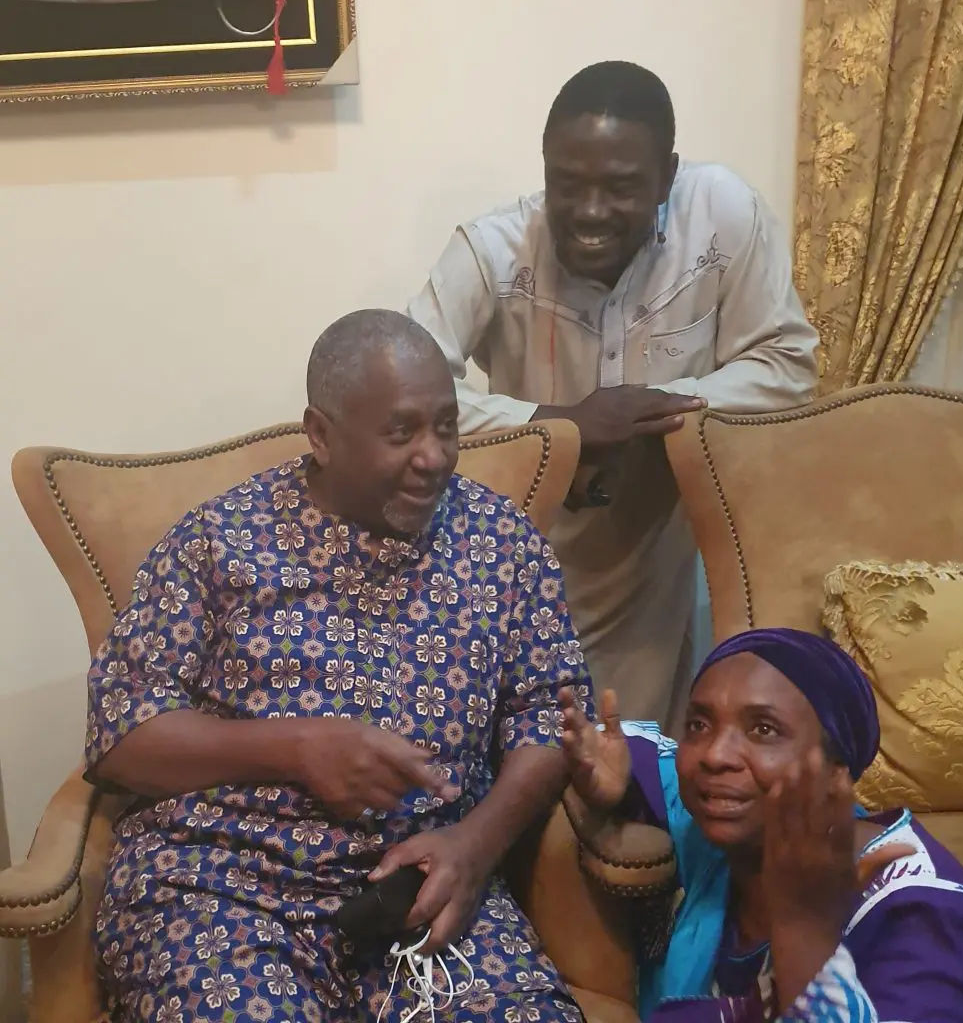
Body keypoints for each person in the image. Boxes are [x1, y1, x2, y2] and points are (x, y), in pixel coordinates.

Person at [85, 309, 593, 1023]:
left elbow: (552, 715)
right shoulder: (219, 541)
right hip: (221, 890)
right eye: (402, 433)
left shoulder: (501, 542)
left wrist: (477, 845)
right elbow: (121, 734)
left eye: (446, 426)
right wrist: (297, 746)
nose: (434, 457)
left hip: (425, 891)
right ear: (320, 435)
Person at [407, 61, 819, 731]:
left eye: (622, 188)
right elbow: (409, 393)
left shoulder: (722, 215)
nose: (590, 212)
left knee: (634, 748)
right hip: (520, 547)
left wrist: (644, 416)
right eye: (567, 184)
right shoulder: (492, 249)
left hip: (656, 543)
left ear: (666, 175)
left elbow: (787, 364)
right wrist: (559, 428)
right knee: (518, 739)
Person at [560, 628, 963, 1021]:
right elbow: (631, 750)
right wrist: (616, 786)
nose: (715, 755)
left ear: (837, 770)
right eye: (699, 725)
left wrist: (803, 932)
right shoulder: (728, 817)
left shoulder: (928, 918)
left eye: (763, 729)